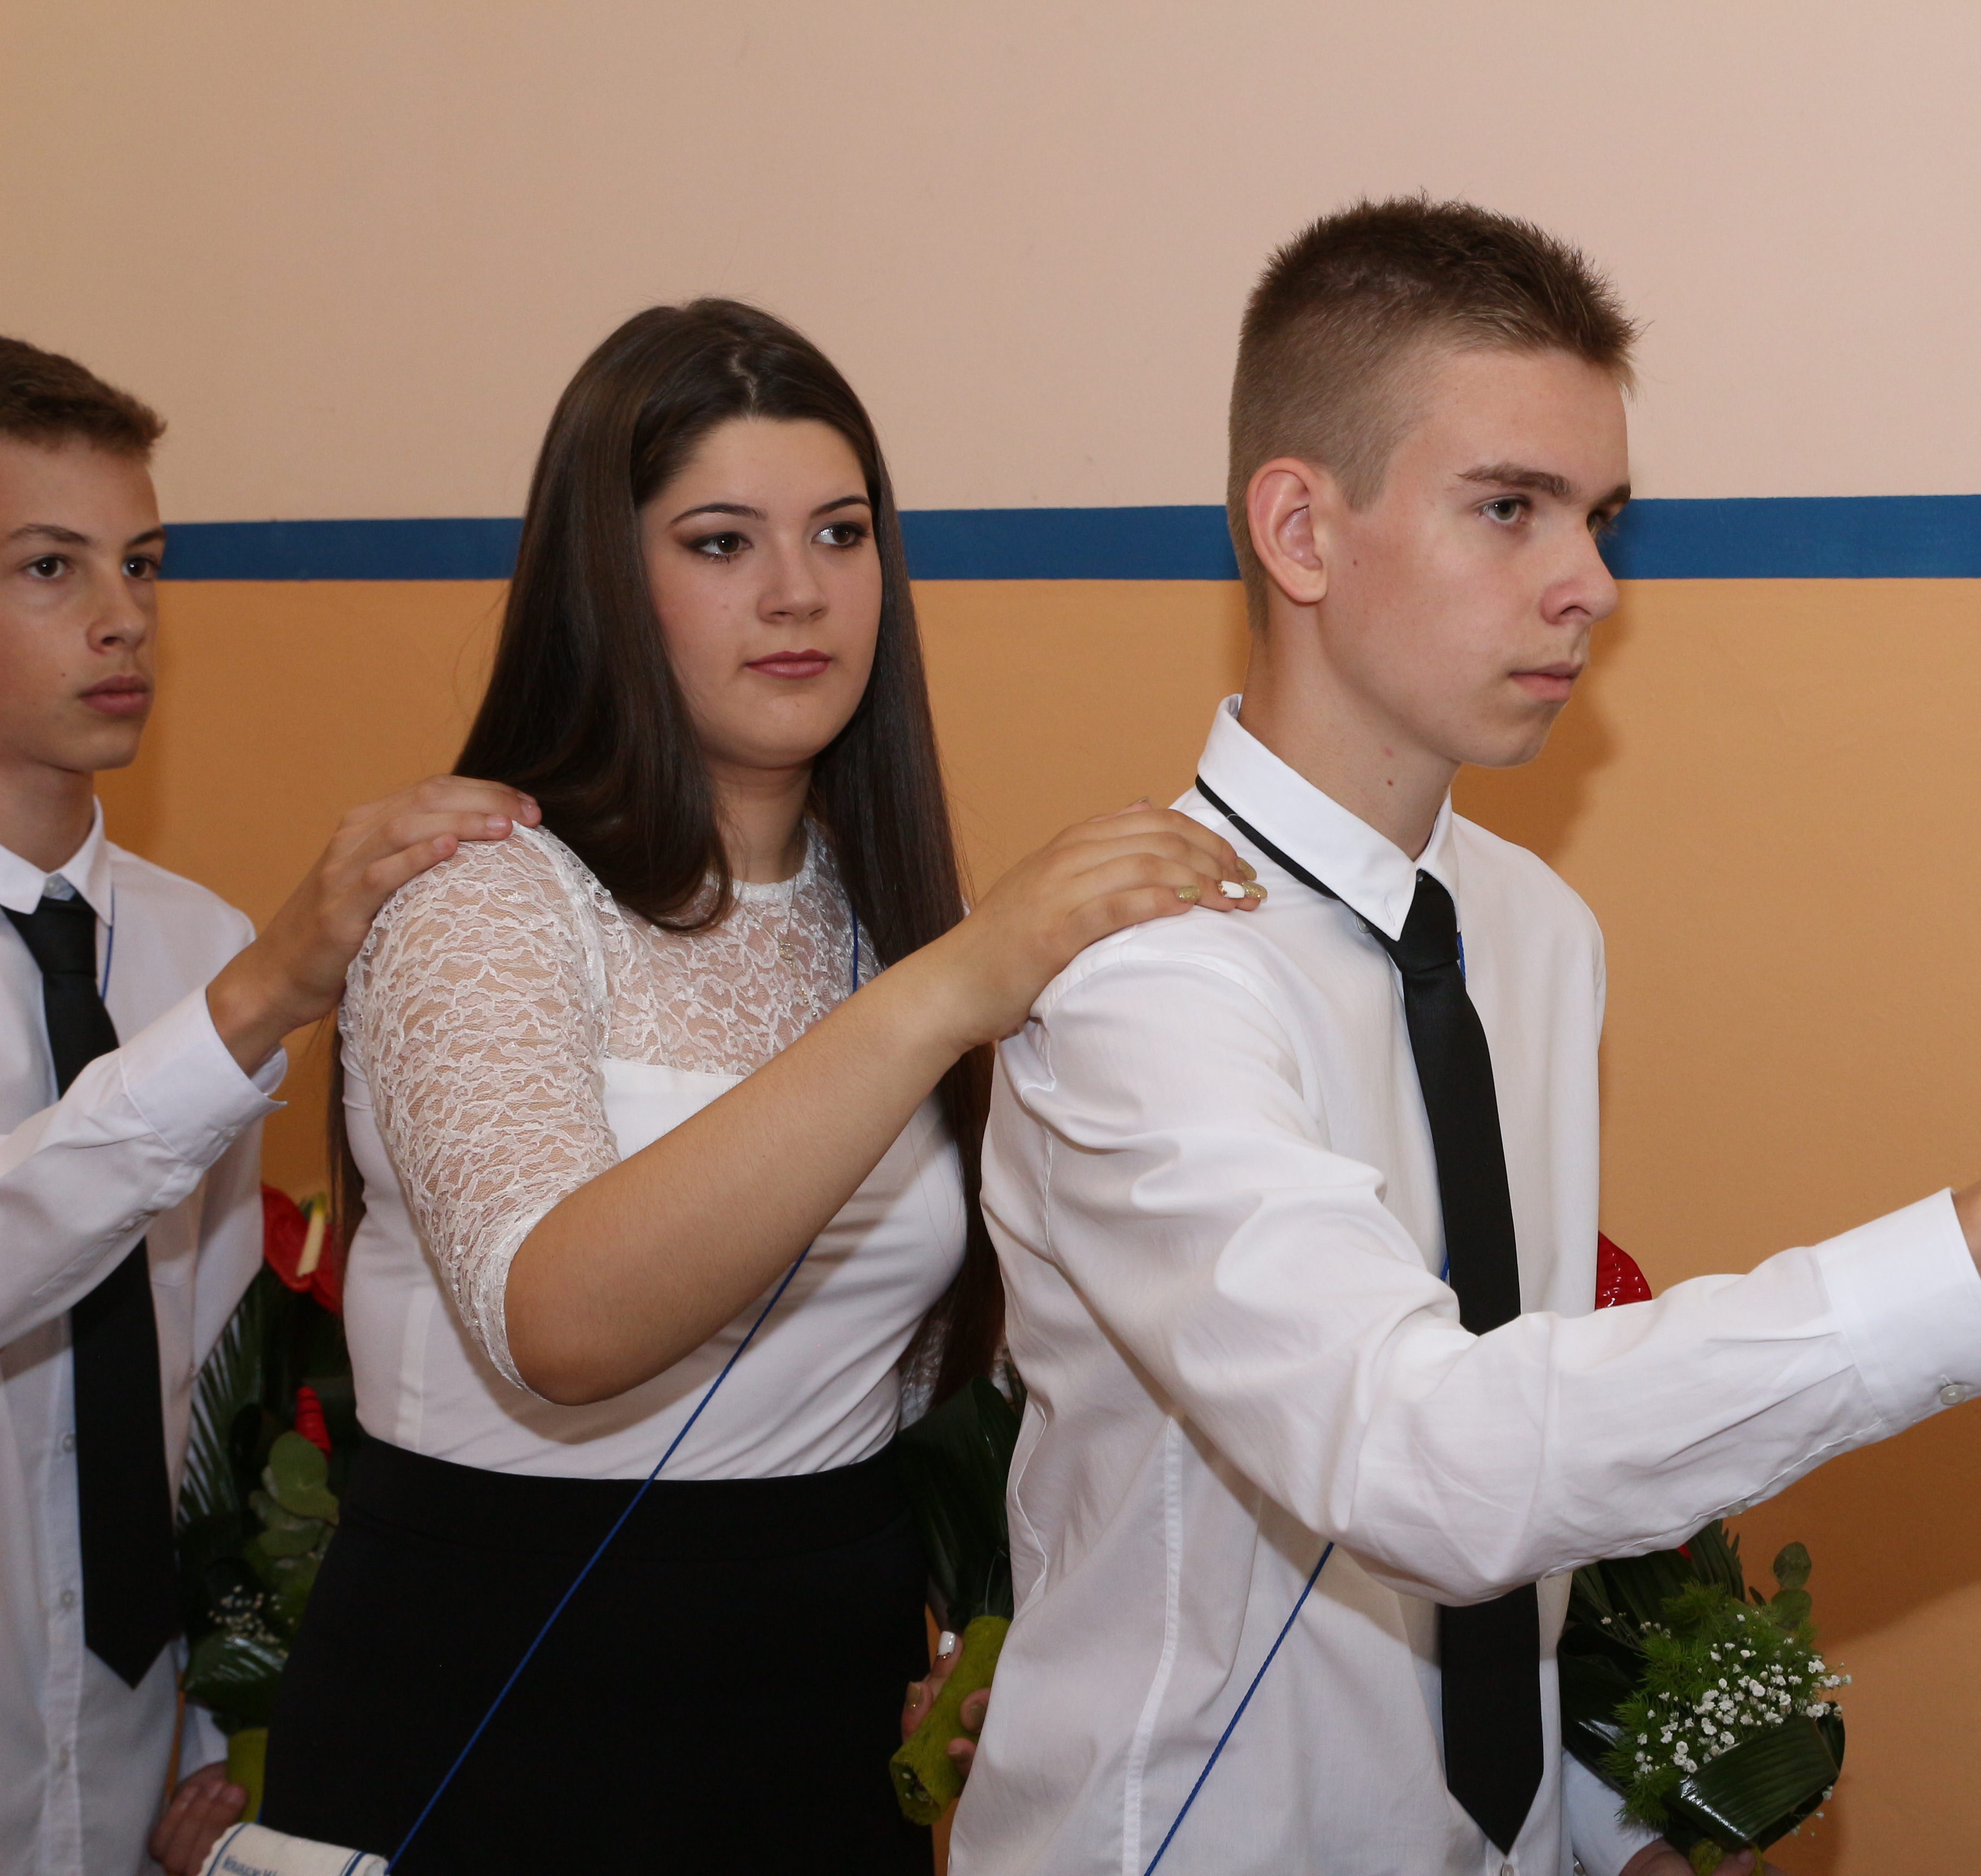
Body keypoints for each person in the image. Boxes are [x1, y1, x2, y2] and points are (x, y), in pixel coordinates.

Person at [948, 197, 1981, 1876]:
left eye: (1602, 516)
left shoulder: (1536, 930)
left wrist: (1598, 1817)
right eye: (1511, 509)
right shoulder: (1147, 979)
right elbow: (1418, 1456)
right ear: (1302, 531)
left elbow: (1535, 1417)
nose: (1593, 585)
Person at [256, 300, 1256, 1873]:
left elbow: (928, 1366)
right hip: (495, 1699)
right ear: (604, 578)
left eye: (841, 534)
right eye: (722, 542)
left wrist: (991, 1617)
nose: (799, 591)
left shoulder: (889, 908)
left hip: (822, 1700)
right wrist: (956, 987)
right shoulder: (481, 893)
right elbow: (559, 1322)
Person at [0, 335, 537, 1875]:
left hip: (144, 1758)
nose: (123, 617)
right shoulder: (237, 982)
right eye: (49, 567)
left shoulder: (194, 943)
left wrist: (230, 1715)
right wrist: (258, 1000)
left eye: (143, 564)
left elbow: (223, 1362)